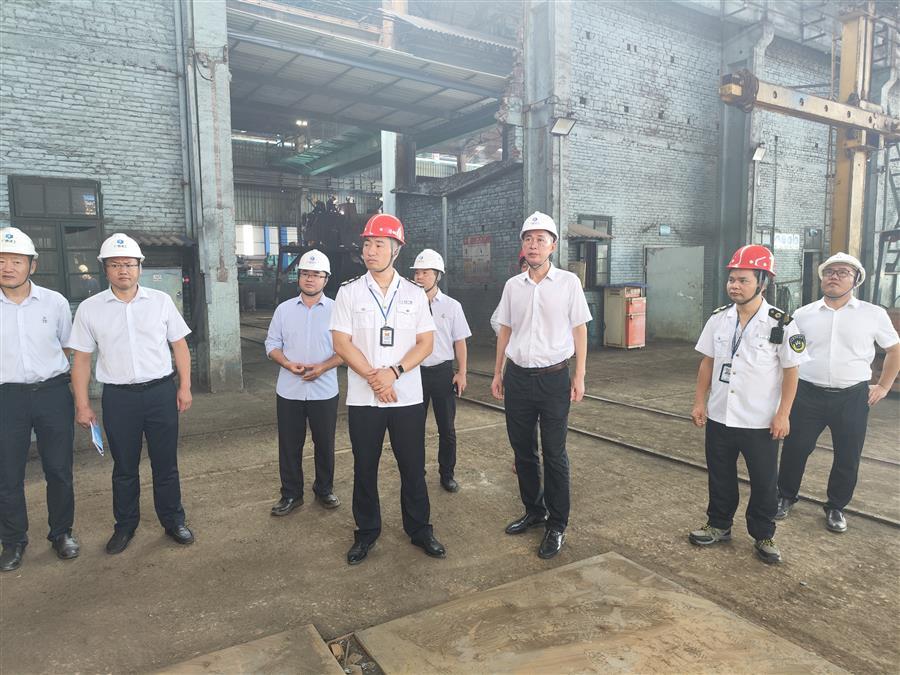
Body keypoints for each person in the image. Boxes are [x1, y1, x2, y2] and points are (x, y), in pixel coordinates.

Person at [69, 233, 194, 555]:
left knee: (165, 464)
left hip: (160, 393)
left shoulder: (161, 301)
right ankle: (125, 526)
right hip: (119, 398)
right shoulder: (90, 309)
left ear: (139, 267)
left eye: (128, 264)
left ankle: (173, 520)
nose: (123, 270)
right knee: (124, 467)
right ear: (105, 269)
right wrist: (82, 405)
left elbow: (179, 346)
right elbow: (81, 359)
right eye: (115, 265)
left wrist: (184, 387)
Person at [330, 214, 445, 565]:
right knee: (365, 467)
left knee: (413, 467)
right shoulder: (349, 292)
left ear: (396, 250)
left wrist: (393, 373)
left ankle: (420, 529)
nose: (370, 251)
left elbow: (426, 342)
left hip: (405, 397)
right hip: (364, 398)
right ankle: (366, 532)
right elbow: (341, 342)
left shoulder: (414, 293)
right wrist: (374, 378)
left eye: (379, 244)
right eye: (367, 244)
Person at [689, 245, 809, 564]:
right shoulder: (719, 319)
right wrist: (700, 401)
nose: (735, 286)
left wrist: (783, 414)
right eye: (732, 279)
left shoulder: (781, 323)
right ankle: (718, 525)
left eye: (743, 280)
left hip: (760, 421)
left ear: (762, 283)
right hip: (720, 415)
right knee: (720, 476)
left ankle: (763, 534)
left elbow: (791, 371)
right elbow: (707, 363)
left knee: (764, 481)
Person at [491, 212, 592, 560]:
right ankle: (534, 511)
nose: (533, 245)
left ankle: (557, 524)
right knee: (522, 450)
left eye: (540, 239)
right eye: (528, 239)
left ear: (552, 245)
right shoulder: (512, 286)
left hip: (554, 379)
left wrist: (579, 375)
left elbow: (580, 330)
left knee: (554, 453)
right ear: (523, 245)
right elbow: (505, 330)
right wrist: (498, 372)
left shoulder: (568, 283)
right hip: (518, 377)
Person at [775, 252, 899, 532]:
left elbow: (894, 349)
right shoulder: (803, 315)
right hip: (808, 394)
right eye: (830, 272)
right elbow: (789, 355)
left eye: (843, 272)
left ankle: (836, 507)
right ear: (822, 279)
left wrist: (883, 386)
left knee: (848, 455)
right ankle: (785, 496)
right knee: (795, 448)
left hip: (852, 397)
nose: (835, 276)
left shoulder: (873, 315)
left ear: (856, 280)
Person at [0, 227, 79, 571]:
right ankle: (13, 542)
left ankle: (61, 533)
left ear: (32, 265)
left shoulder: (54, 302)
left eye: (16, 261)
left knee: (59, 469)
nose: (8, 267)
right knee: (7, 474)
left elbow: (67, 346)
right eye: (1, 260)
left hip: (52, 393)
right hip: (6, 397)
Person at [265, 249, 343, 516]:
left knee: (325, 443)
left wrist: (323, 367)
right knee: (289, 445)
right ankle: (291, 494)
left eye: (316, 274)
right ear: (298, 277)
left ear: (326, 279)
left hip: (324, 391)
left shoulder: (337, 311)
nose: (310, 279)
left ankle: (324, 489)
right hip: (290, 390)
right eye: (305, 274)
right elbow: (272, 344)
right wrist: (287, 363)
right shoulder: (284, 310)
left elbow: (347, 349)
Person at [411, 248, 471, 493]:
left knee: (446, 428)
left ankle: (447, 474)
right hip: (414, 373)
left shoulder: (452, 306)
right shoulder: (407, 305)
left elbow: (460, 341)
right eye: (417, 272)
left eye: (425, 272)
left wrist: (462, 372)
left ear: (438, 275)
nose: (419, 277)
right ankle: (416, 472)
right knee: (413, 428)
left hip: (442, 373)